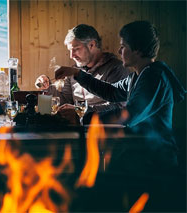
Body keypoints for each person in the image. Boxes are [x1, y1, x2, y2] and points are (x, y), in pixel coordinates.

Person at [55, 21, 186, 174]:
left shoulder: (154, 77)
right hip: (141, 156)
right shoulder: (137, 77)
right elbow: (110, 91)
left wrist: (83, 117)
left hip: (155, 162)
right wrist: (77, 73)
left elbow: (128, 115)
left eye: (123, 46)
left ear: (136, 50)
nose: (119, 50)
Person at [35, 24, 130, 118]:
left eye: (76, 49)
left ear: (92, 45)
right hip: (76, 128)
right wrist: (46, 88)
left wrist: (79, 110)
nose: (71, 56)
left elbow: (119, 107)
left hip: (104, 129)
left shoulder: (116, 68)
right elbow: (64, 102)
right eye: (70, 51)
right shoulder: (73, 71)